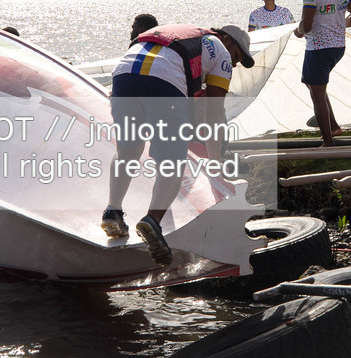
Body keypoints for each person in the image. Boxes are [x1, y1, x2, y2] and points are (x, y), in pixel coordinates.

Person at [100, 23, 255, 266]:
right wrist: (215, 164)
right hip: (163, 79)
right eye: (237, 56)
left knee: (128, 149)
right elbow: (214, 114)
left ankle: (113, 212)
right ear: (227, 40)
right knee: (172, 162)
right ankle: (152, 220)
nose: (234, 64)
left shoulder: (190, 34)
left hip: (123, 73)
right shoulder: (222, 54)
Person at [295, 0, 351, 146]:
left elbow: (306, 26)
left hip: (318, 48)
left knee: (316, 94)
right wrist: (340, 25)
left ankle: (328, 143)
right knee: (314, 85)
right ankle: (333, 126)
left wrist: (298, 32)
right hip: (338, 47)